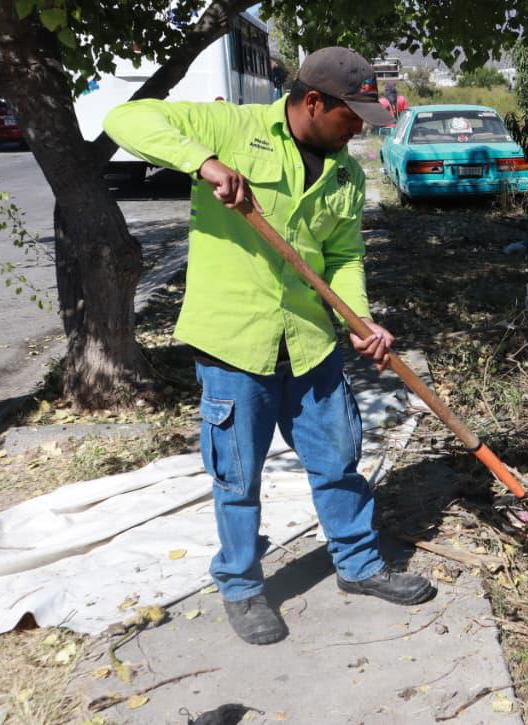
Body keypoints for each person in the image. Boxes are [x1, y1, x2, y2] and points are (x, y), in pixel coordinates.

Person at [102, 47, 436, 646]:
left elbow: (344, 256)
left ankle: (359, 565)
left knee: (338, 461)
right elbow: (125, 119)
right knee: (238, 476)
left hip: (310, 344)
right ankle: (241, 586)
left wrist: (359, 318)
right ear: (314, 102)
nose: (359, 130)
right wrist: (204, 163)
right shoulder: (232, 128)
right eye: (352, 117)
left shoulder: (346, 174)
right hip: (235, 346)